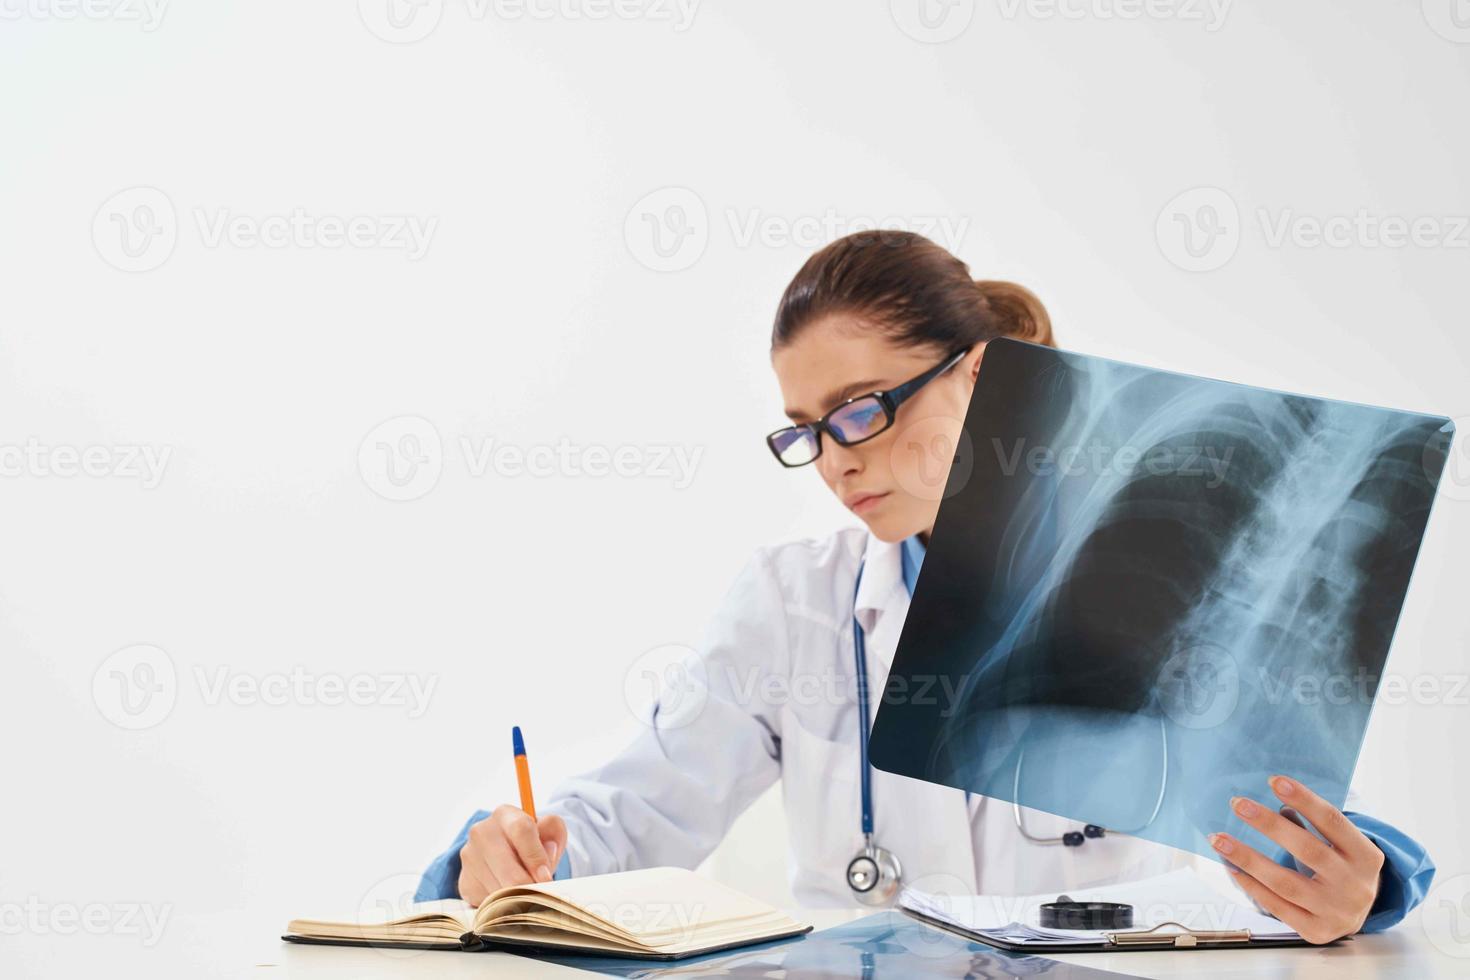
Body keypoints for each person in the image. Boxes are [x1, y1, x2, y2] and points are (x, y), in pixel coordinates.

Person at [415, 231, 1433, 944]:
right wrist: (501, 857)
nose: (835, 461)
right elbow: (631, 812)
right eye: (804, 430)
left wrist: (1366, 883)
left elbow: (1300, 806)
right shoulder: (793, 604)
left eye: (860, 411)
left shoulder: (1152, 562)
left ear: (979, 374)